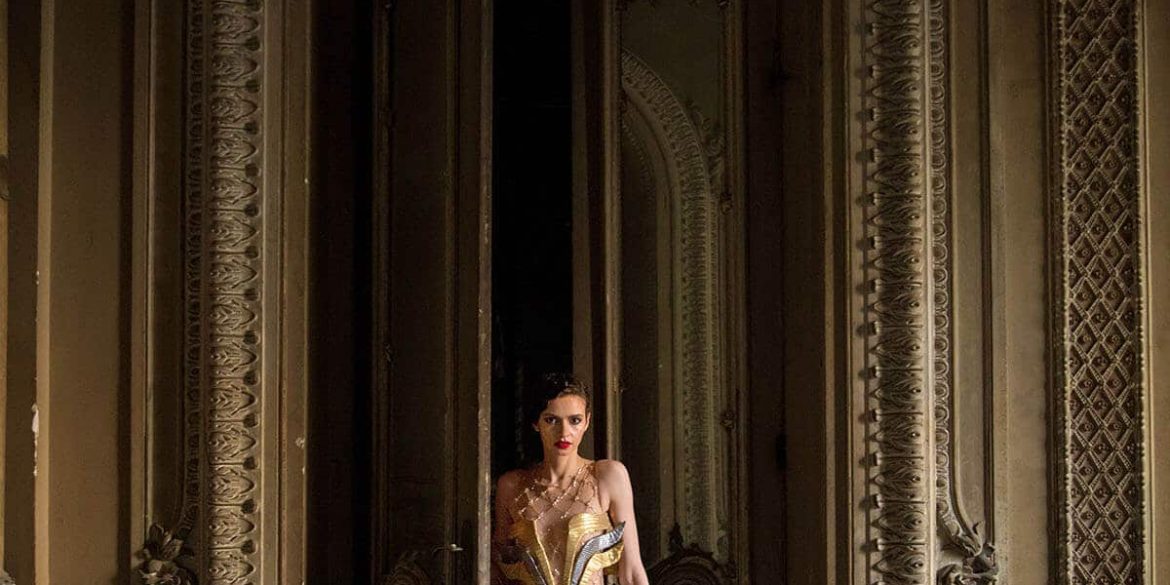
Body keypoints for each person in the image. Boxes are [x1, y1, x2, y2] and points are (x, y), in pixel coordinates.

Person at [493, 374, 650, 585]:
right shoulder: (512, 486)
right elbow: (497, 570)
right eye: (551, 420)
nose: (564, 432)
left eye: (575, 420)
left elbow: (631, 571)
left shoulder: (607, 476)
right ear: (536, 423)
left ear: (587, 421)